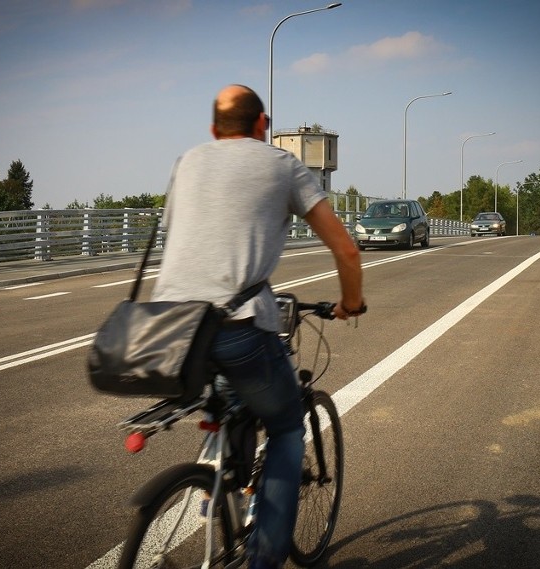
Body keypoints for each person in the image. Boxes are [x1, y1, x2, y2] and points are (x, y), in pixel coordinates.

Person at [150, 84, 364, 569]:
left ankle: (219, 489)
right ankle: (263, 559)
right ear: (262, 126)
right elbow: (346, 250)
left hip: (172, 330)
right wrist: (351, 302)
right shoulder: (283, 165)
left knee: (229, 400)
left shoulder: (186, 163)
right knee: (287, 427)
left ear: (212, 130)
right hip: (238, 325)